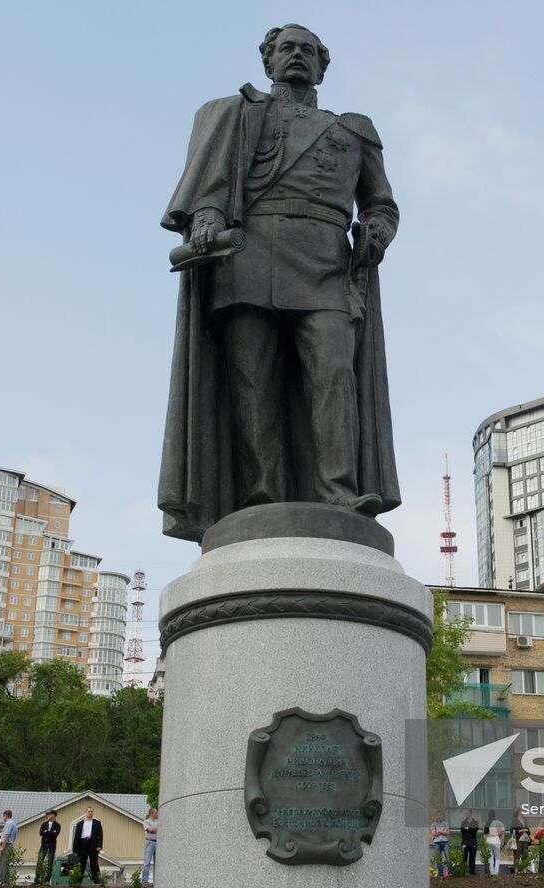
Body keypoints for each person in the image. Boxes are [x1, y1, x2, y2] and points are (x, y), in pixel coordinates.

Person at [158, 22, 403, 540]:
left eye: (307, 51)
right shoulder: (236, 114)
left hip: (326, 262)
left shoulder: (354, 130)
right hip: (249, 258)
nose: (297, 57)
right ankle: (260, 495)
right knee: (252, 383)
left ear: (322, 66)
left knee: (334, 373)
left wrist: (377, 231)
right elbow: (211, 186)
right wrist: (204, 217)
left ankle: (338, 489)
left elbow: (381, 202)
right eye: (286, 49)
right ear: (268, 61)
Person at [72, 806, 104, 885]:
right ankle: (78, 882)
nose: (90, 813)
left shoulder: (97, 823)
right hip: (82, 844)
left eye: (91, 811)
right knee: (81, 864)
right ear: (86, 813)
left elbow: (100, 835)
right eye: (88, 811)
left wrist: (99, 845)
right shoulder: (80, 823)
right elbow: (76, 836)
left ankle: (97, 882)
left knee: (94, 863)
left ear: (93, 813)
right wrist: (74, 848)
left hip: (93, 844)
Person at [36, 809, 61, 884]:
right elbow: (41, 833)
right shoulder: (44, 824)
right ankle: (37, 879)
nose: (48, 816)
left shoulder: (57, 825)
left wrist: (46, 832)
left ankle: (47, 880)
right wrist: (50, 832)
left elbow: (55, 834)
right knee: (40, 861)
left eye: (49, 814)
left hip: (52, 845)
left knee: (50, 862)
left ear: (53, 815)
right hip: (43, 844)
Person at [0, 810, 17, 887]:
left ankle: (3, 882)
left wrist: (2, 847)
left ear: (6, 815)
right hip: (9, 845)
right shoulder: (14, 823)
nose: (3, 818)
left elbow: (6, 835)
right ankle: (3, 882)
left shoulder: (9, 823)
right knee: (4, 863)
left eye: (3, 816)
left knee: (3, 864)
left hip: (7, 845)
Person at [459, 809, 480, 875]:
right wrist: (470, 829)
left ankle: (472, 872)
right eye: (465, 813)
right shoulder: (463, 822)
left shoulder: (475, 822)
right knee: (464, 857)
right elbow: (462, 830)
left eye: (467, 813)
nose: (466, 814)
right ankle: (463, 871)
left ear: (470, 813)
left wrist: (468, 828)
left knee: (472, 857)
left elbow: (475, 830)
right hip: (465, 842)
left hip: (473, 842)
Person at [484, 811, 504, 876]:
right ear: (495, 815)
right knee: (497, 857)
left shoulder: (486, 823)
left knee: (490, 857)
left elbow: (484, 834)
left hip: (488, 840)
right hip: (496, 840)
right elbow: (500, 832)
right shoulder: (497, 823)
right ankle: (496, 872)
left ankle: (492, 872)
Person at [141, 808, 158, 885]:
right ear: (152, 813)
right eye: (156, 813)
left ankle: (156, 881)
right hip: (150, 842)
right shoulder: (146, 822)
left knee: (157, 863)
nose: (157, 814)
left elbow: (154, 829)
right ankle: (144, 880)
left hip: (158, 843)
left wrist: (156, 829)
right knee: (147, 862)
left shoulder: (158, 822)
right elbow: (150, 830)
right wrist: (158, 829)